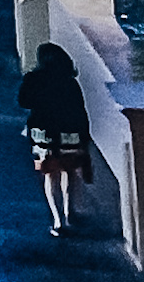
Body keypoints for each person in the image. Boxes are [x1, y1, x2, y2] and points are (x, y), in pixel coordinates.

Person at [17, 44, 97, 237]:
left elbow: (23, 101)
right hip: (69, 135)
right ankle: (70, 212)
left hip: (43, 135)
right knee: (69, 173)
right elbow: (80, 111)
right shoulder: (69, 82)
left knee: (50, 175)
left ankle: (58, 220)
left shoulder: (34, 79)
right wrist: (85, 139)